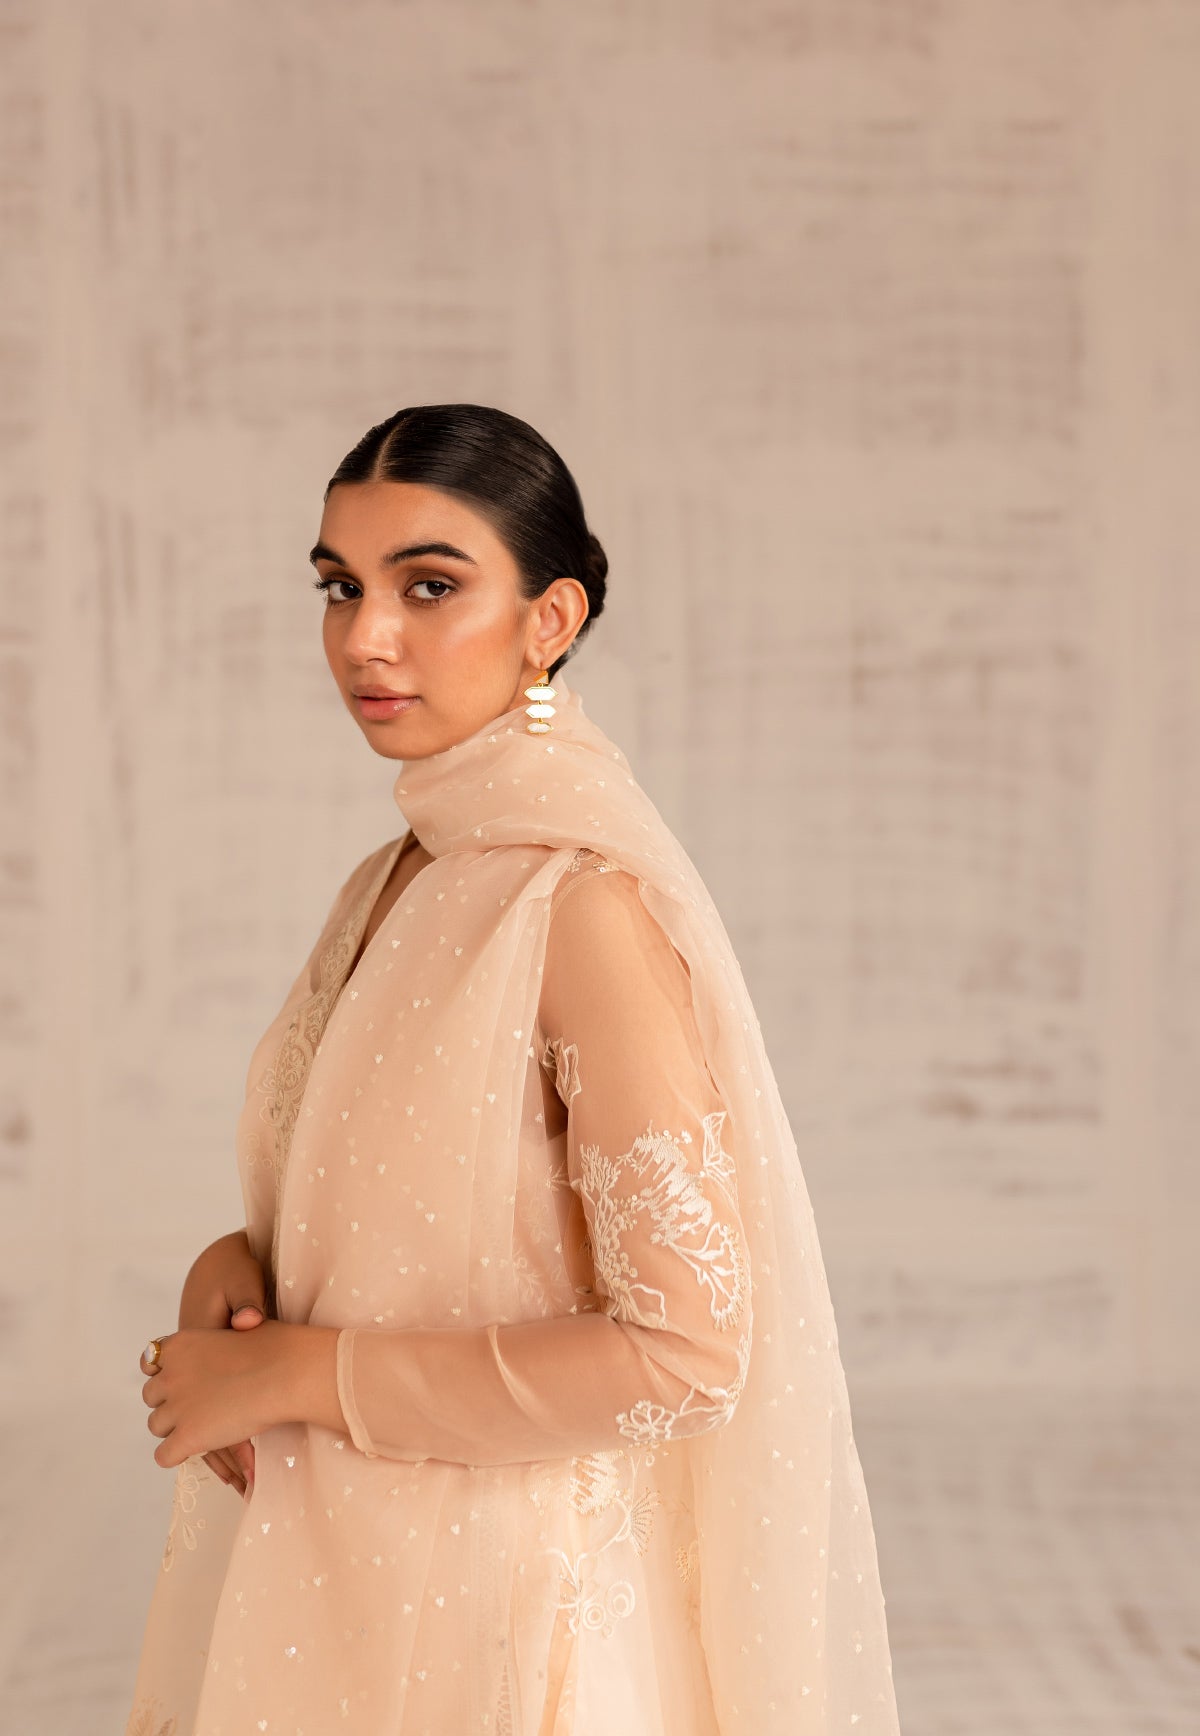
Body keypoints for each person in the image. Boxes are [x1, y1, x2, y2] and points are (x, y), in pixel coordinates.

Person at [125, 404, 902, 1734]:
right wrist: (242, 1273)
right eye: (340, 587)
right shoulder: (403, 877)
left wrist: (301, 1374)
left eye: (429, 586)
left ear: (550, 619)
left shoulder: (581, 906)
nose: (366, 636)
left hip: (505, 1636)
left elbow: (685, 1355)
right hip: (343, 1589)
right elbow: (397, 1211)